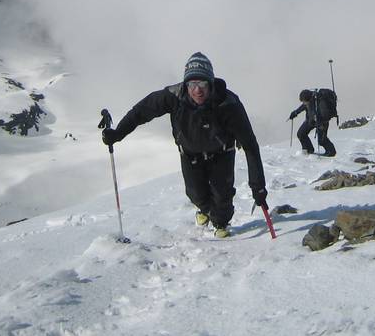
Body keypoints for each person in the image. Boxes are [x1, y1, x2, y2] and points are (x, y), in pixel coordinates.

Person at [101, 52, 267, 238]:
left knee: (223, 196)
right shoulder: (173, 96)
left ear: (211, 83)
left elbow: (250, 145)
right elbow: (141, 112)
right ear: (186, 84)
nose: (198, 90)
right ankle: (205, 210)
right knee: (195, 193)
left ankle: (220, 223)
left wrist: (258, 186)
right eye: (192, 84)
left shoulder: (228, 103)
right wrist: (117, 134)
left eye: (203, 84)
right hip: (190, 154)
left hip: (222, 153)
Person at [288, 88, 337, 157]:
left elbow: (325, 114)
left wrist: (319, 121)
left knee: (322, 141)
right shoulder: (308, 101)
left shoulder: (319, 102)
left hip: (321, 122)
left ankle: (331, 152)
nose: (304, 103)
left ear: (308, 99)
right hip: (310, 120)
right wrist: (295, 113)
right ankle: (308, 149)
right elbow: (303, 106)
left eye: (304, 101)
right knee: (301, 134)